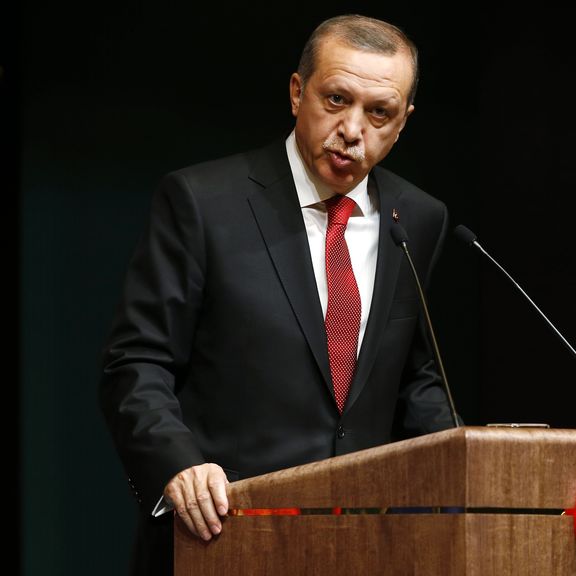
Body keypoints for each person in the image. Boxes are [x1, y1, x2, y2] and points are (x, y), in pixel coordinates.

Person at [98, 13, 456, 576]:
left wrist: (466, 469)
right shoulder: (202, 202)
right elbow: (136, 362)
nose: (353, 129)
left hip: (366, 547)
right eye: (336, 99)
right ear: (297, 92)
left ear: (403, 121)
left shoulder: (416, 218)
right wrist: (177, 466)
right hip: (223, 536)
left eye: (379, 112)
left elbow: (415, 379)